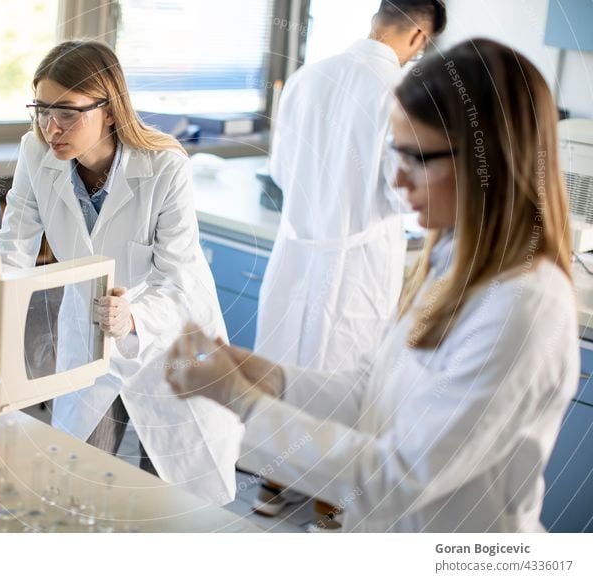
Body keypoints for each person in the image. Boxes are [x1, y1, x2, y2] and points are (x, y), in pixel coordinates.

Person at [166, 38, 579, 532]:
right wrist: (264, 375)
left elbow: (402, 478)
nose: (399, 182)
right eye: (394, 153)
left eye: (418, 159)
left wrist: (242, 400)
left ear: (489, 160)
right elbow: (370, 392)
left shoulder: (521, 306)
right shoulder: (449, 262)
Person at [0, 40, 243, 504]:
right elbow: (14, 242)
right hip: (88, 331)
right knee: (78, 480)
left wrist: (132, 317)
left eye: (67, 112)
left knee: (176, 492)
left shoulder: (164, 166)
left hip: (169, 335)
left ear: (109, 110)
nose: (51, 127)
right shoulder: (36, 152)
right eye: (41, 110)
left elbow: (178, 277)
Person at [253, 0, 447, 525]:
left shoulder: (307, 76)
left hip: (298, 248)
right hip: (360, 257)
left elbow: (281, 170)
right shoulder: (402, 94)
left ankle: (273, 483)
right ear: (419, 37)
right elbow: (401, 190)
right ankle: (328, 501)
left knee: (289, 361)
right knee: (346, 372)